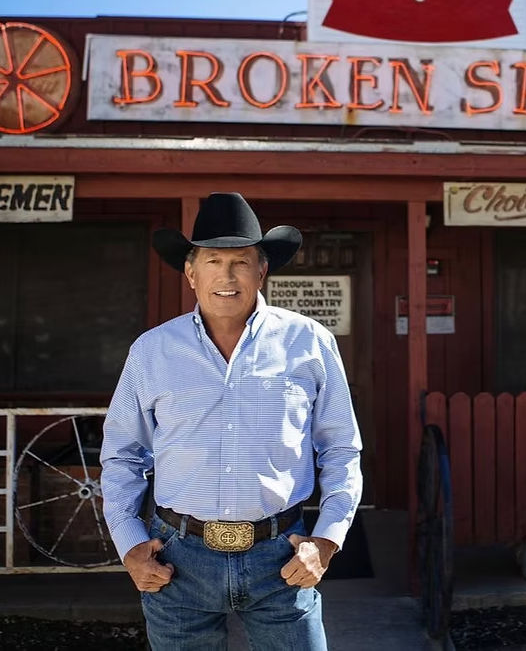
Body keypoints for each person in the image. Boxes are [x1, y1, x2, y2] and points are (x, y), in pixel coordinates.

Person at [100, 192, 362, 651]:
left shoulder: (309, 342)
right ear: (190, 271)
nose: (226, 275)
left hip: (281, 558)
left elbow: (341, 448)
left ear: (261, 270)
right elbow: (123, 454)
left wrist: (326, 541)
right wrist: (130, 544)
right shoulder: (152, 350)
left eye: (240, 261)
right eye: (213, 260)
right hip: (177, 561)